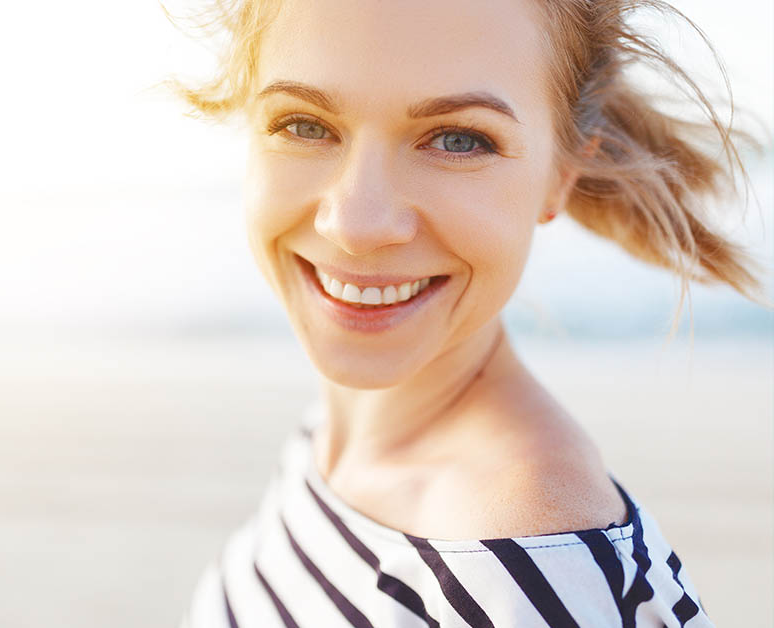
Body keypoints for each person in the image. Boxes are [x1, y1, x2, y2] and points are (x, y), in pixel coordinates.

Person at [170, 0, 771, 626]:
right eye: (303, 125)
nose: (355, 224)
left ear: (561, 175)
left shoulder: (515, 559)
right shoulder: (338, 427)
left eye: (459, 139)